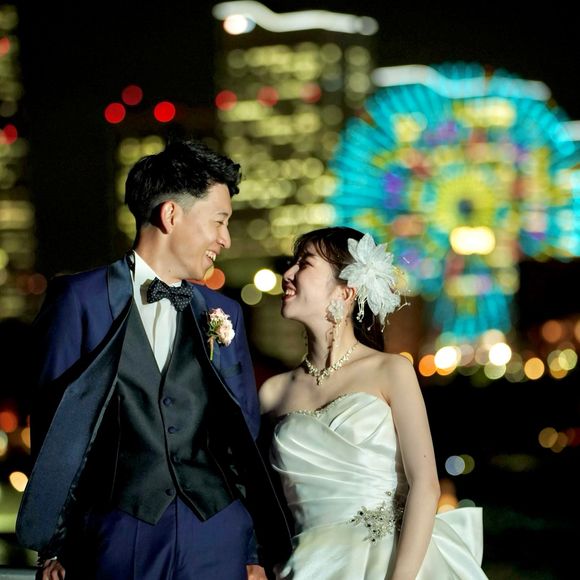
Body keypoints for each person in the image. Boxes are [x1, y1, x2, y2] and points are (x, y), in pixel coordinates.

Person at [16, 139, 291, 580]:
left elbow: (241, 434)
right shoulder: (79, 300)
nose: (225, 239)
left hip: (217, 532)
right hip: (116, 533)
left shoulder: (224, 313)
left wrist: (251, 548)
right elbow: (52, 427)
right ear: (171, 215)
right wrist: (55, 545)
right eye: (219, 221)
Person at [259, 227, 487, 579]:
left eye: (303, 264)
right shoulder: (273, 392)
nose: (287, 274)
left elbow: (425, 485)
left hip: (394, 563)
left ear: (345, 291)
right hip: (308, 567)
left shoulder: (391, 370)